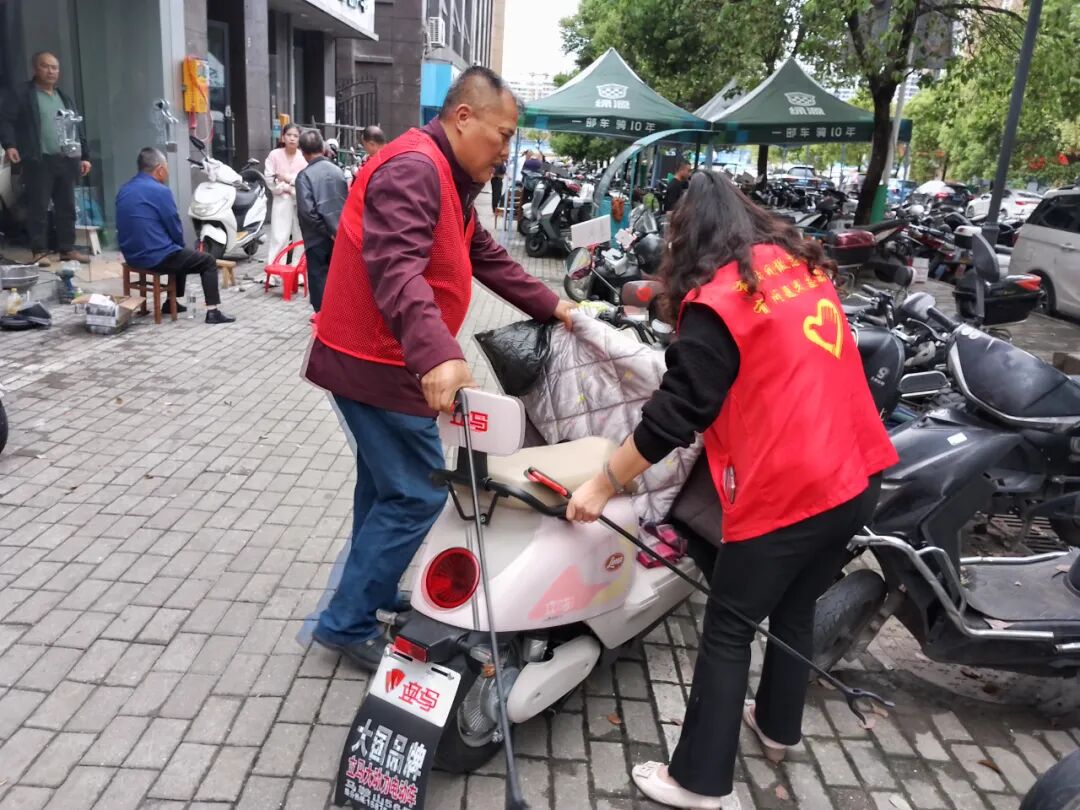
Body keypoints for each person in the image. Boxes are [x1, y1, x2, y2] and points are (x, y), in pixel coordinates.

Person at [565, 172, 897, 809]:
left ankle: (698, 782)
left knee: (728, 628)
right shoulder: (800, 266)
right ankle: (777, 729)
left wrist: (603, 485)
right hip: (857, 474)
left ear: (686, 238)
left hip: (792, 491)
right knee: (795, 608)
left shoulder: (721, 301)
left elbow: (675, 415)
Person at [304, 66, 576, 670]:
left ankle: (368, 595)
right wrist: (441, 355)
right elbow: (396, 267)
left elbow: (485, 255)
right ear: (463, 117)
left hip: (386, 360)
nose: (506, 151)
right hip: (377, 362)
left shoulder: (450, 179)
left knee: (384, 488)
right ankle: (346, 622)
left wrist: (555, 305)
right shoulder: (414, 169)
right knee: (415, 494)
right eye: (503, 135)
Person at [115, 148, 235, 324]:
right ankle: (213, 311)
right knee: (206, 261)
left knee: (179, 252)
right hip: (154, 257)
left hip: (131, 255)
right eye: (167, 168)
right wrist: (178, 244)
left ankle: (170, 302)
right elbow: (174, 225)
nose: (168, 172)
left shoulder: (124, 189)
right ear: (159, 169)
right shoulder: (160, 191)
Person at [0, 51, 91, 267]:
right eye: (46, 66)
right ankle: (39, 250)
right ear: (36, 68)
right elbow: (6, 120)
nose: (51, 71)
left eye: (55, 67)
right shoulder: (23, 94)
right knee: (38, 207)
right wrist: (10, 145)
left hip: (66, 159)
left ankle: (67, 249)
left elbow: (76, 128)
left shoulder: (63, 97)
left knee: (67, 206)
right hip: (38, 159)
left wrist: (84, 156)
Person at [295, 129, 347, 312]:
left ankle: (323, 316)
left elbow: (307, 212)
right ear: (322, 148)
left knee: (318, 278)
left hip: (316, 237)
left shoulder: (304, 176)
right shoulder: (338, 171)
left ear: (303, 152)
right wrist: (335, 232)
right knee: (337, 278)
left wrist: (326, 231)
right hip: (339, 234)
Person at [264, 123, 306, 269]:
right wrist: (288, 186)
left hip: (300, 201)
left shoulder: (303, 157)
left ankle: (298, 270)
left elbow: (304, 181)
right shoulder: (274, 155)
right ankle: (275, 269)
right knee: (279, 235)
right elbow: (270, 178)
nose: (292, 138)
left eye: (295, 136)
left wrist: (286, 179)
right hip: (281, 200)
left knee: (300, 236)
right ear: (283, 137)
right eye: (289, 135)